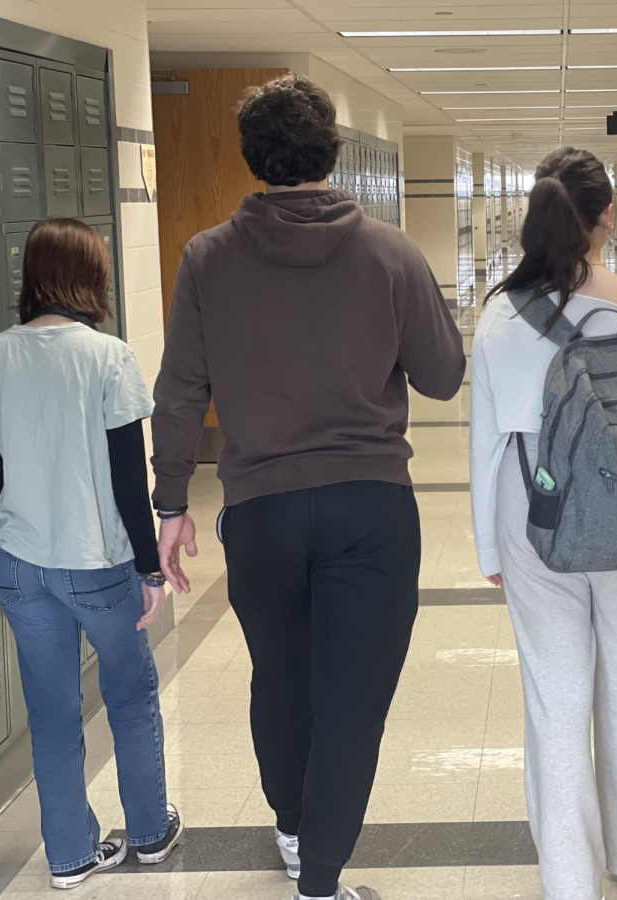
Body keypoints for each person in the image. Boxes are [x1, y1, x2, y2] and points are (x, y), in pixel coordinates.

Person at [150, 75, 465, 900]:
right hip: (371, 506)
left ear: (253, 158)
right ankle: (320, 874)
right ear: (331, 152)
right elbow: (442, 376)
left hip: (260, 509)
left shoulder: (206, 257)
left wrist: (172, 505)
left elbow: (180, 388)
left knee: (280, 677)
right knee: (354, 696)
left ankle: (293, 829)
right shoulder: (391, 252)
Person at [469, 147, 617, 900]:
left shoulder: (500, 316)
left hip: (532, 509)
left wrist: (483, 541)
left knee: (556, 691)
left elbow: (483, 439)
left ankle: (570, 873)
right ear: (606, 218)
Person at [0, 219, 182, 889]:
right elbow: (127, 479)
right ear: (93, 277)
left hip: (21, 566)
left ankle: (69, 856)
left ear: (32, 276)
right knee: (130, 691)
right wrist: (149, 567)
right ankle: (148, 832)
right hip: (98, 565)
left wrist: (33, 528)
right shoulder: (108, 357)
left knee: (51, 708)